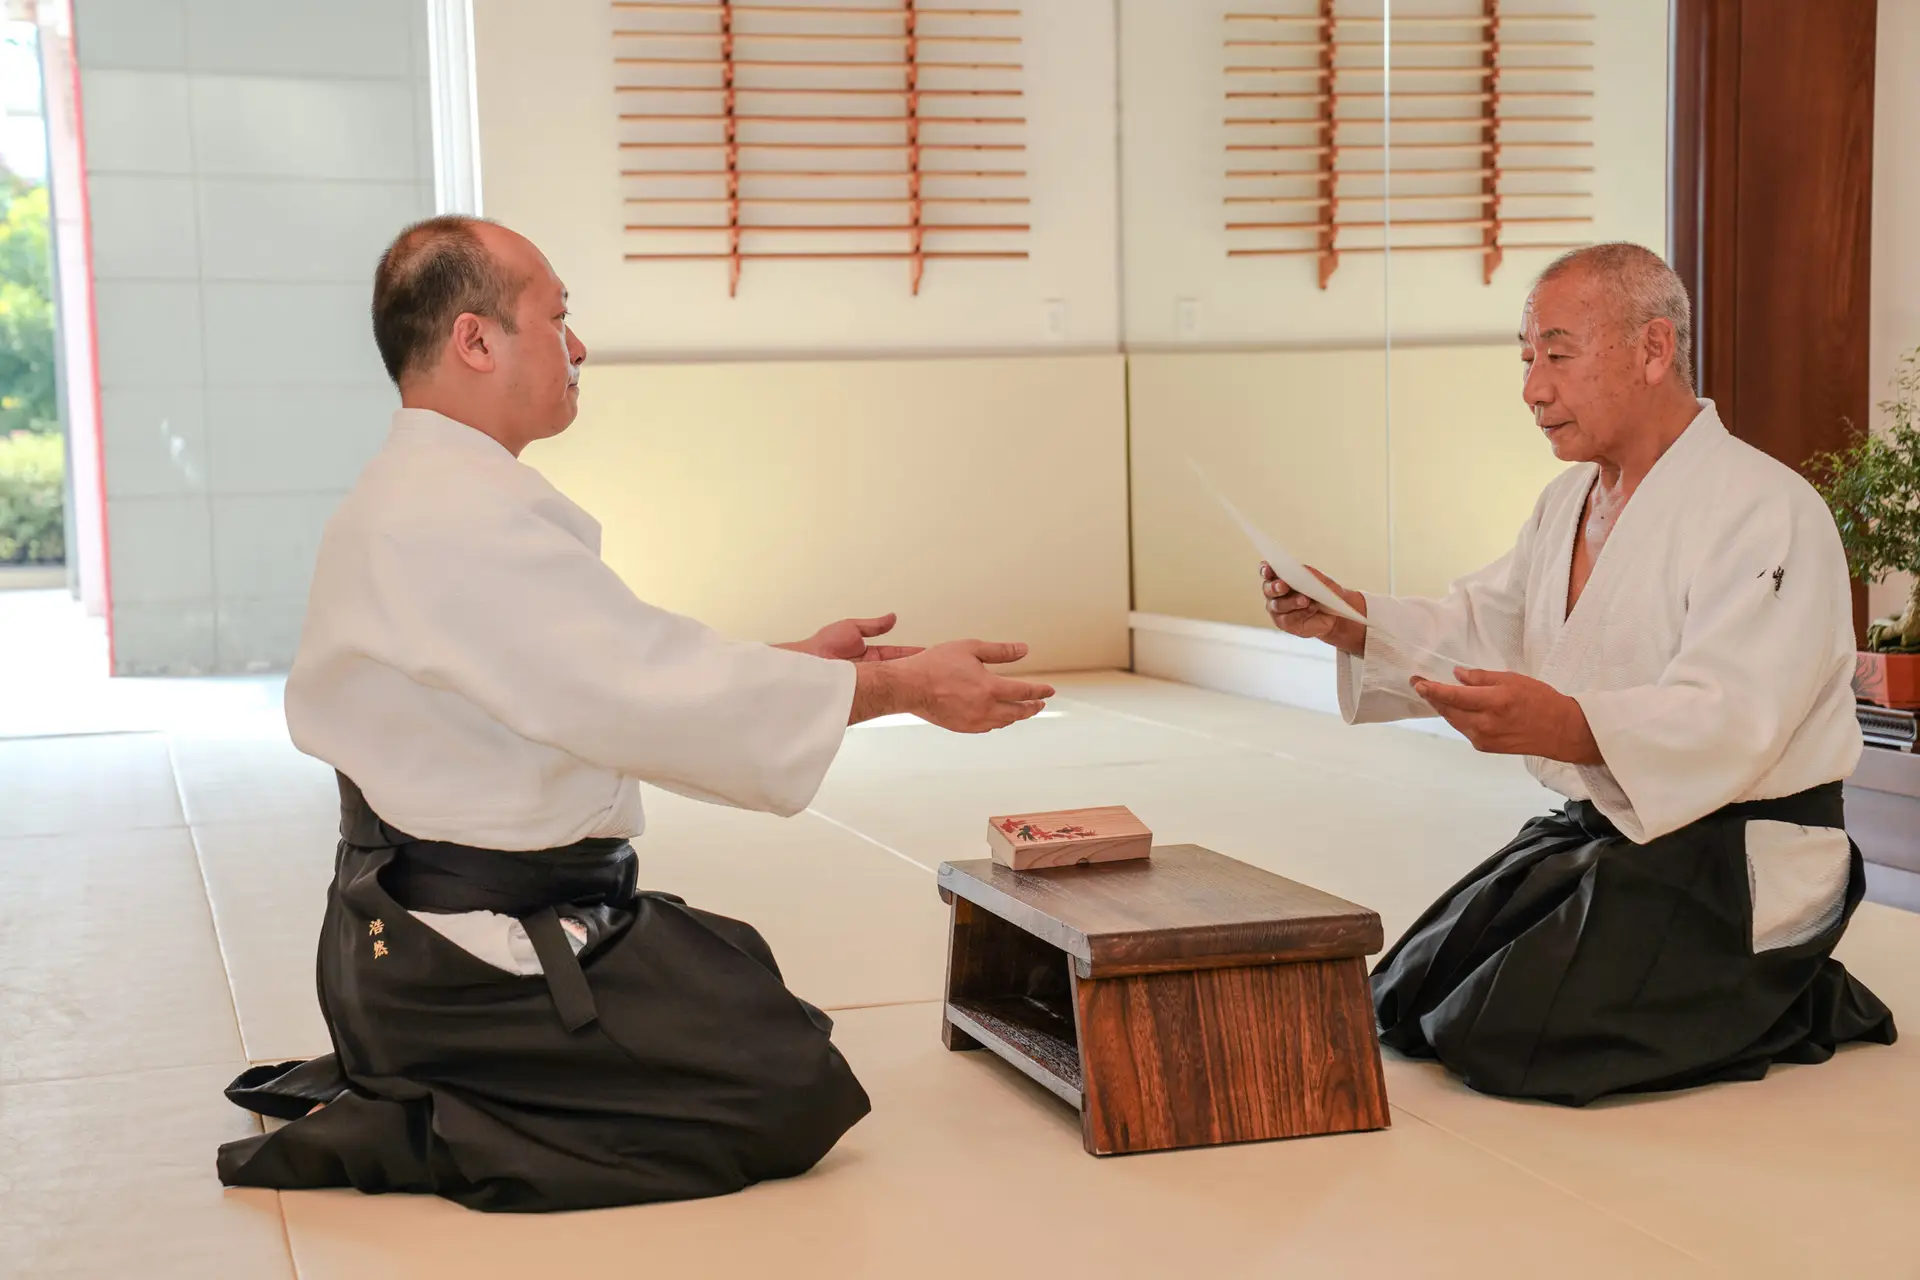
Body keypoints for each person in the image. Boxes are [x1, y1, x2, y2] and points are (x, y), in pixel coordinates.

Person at [214, 215, 1055, 1211]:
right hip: (460, 951)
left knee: (736, 970)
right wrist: (902, 690)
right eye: (557, 317)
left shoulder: (433, 495)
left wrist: (800, 664)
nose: (578, 346)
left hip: (420, 932)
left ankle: (430, 1066)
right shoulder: (449, 518)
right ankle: (417, 1116)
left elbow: (613, 670)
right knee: (785, 1086)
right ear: (476, 340)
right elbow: (635, 691)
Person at [1259, 242, 1896, 1107]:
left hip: (1741, 852)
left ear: (1652, 349)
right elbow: (1483, 624)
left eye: (1557, 355)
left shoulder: (1765, 508)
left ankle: (1801, 996)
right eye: (1527, 359)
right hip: (1613, 826)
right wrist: (1355, 620)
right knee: (1408, 1001)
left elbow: (1736, 716)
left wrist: (1569, 725)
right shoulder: (1569, 503)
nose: (1532, 388)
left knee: (1512, 1043)